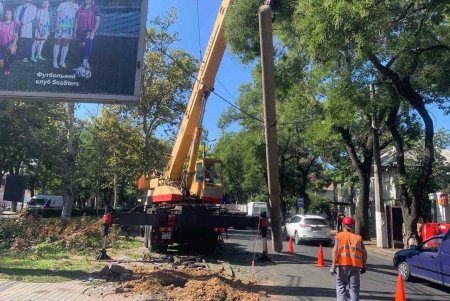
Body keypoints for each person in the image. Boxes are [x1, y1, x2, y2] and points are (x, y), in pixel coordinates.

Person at [330, 216, 367, 301]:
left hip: (342, 266)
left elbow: (335, 251)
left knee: (341, 286)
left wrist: (333, 266)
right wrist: (364, 266)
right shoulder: (358, 238)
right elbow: (364, 252)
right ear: (352, 226)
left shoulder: (338, 236)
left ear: (343, 225)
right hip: (355, 267)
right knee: (354, 289)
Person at [73, 0, 100, 70]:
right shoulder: (80, 9)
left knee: (87, 42)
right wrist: (75, 32)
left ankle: (85, 61)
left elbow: (97, 21)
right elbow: (76, 21)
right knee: (82, 47)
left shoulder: (95, 8)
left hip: (89, 29)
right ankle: (82, 64)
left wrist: (93, 31)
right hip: (80, 30)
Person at [53, 0, 79, 68]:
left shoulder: (76, 6)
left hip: (70, 28)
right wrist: (57, 26)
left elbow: (77, 19)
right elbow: (58, 16)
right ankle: (55, 61)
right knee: (58, 42)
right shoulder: (62, 4)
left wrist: (75, 30)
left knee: (66, 44)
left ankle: (62, 61)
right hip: (61, 26)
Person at [0, 9, 19, 75]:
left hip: (10, 44)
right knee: (1, 65)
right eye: (6, 13)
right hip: (1, 45)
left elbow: (16, 37)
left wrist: (13, 45)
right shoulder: (1, 23)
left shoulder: (15, 24)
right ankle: (4, 62)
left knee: (12, 50)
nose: (8, 14)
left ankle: (9, 65)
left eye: (9, 13)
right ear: (5, 15)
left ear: (12, 14)